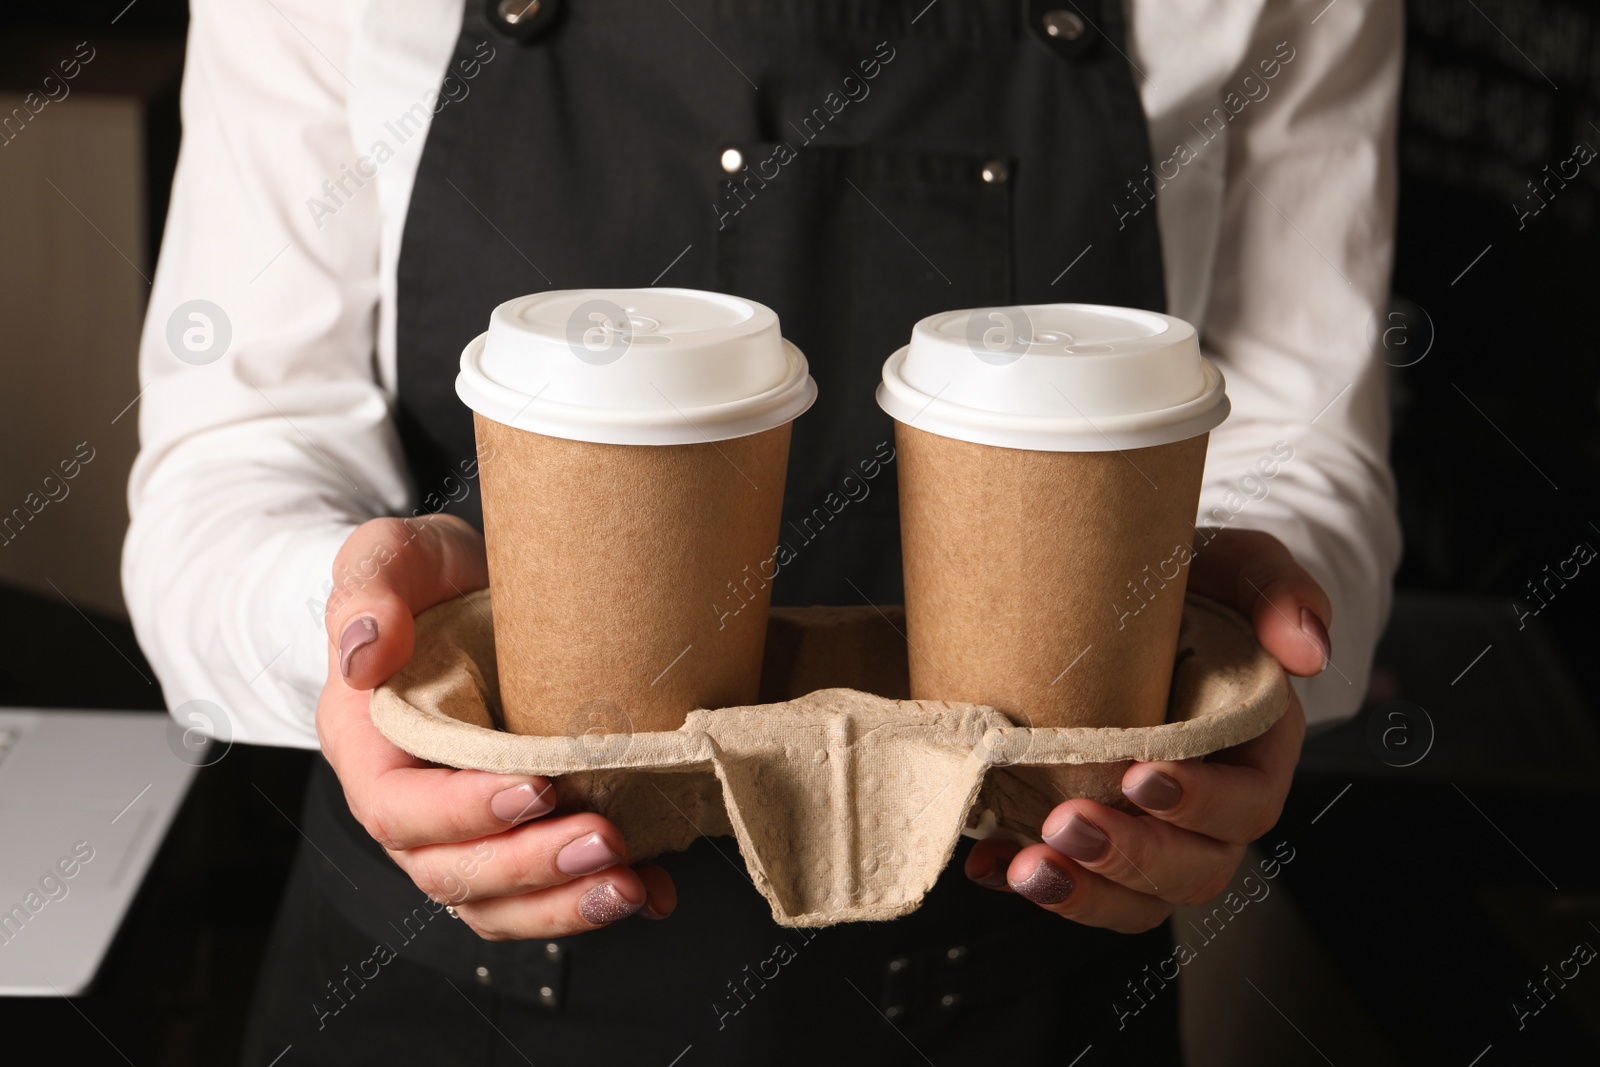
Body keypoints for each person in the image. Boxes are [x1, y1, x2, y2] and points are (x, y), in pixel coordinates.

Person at [123, 0, 1402, 1062]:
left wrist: (1244, 628)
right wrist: (361, 642)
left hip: (1008, 972)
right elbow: (232, 456)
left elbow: (1299, 440)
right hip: (440, 990)